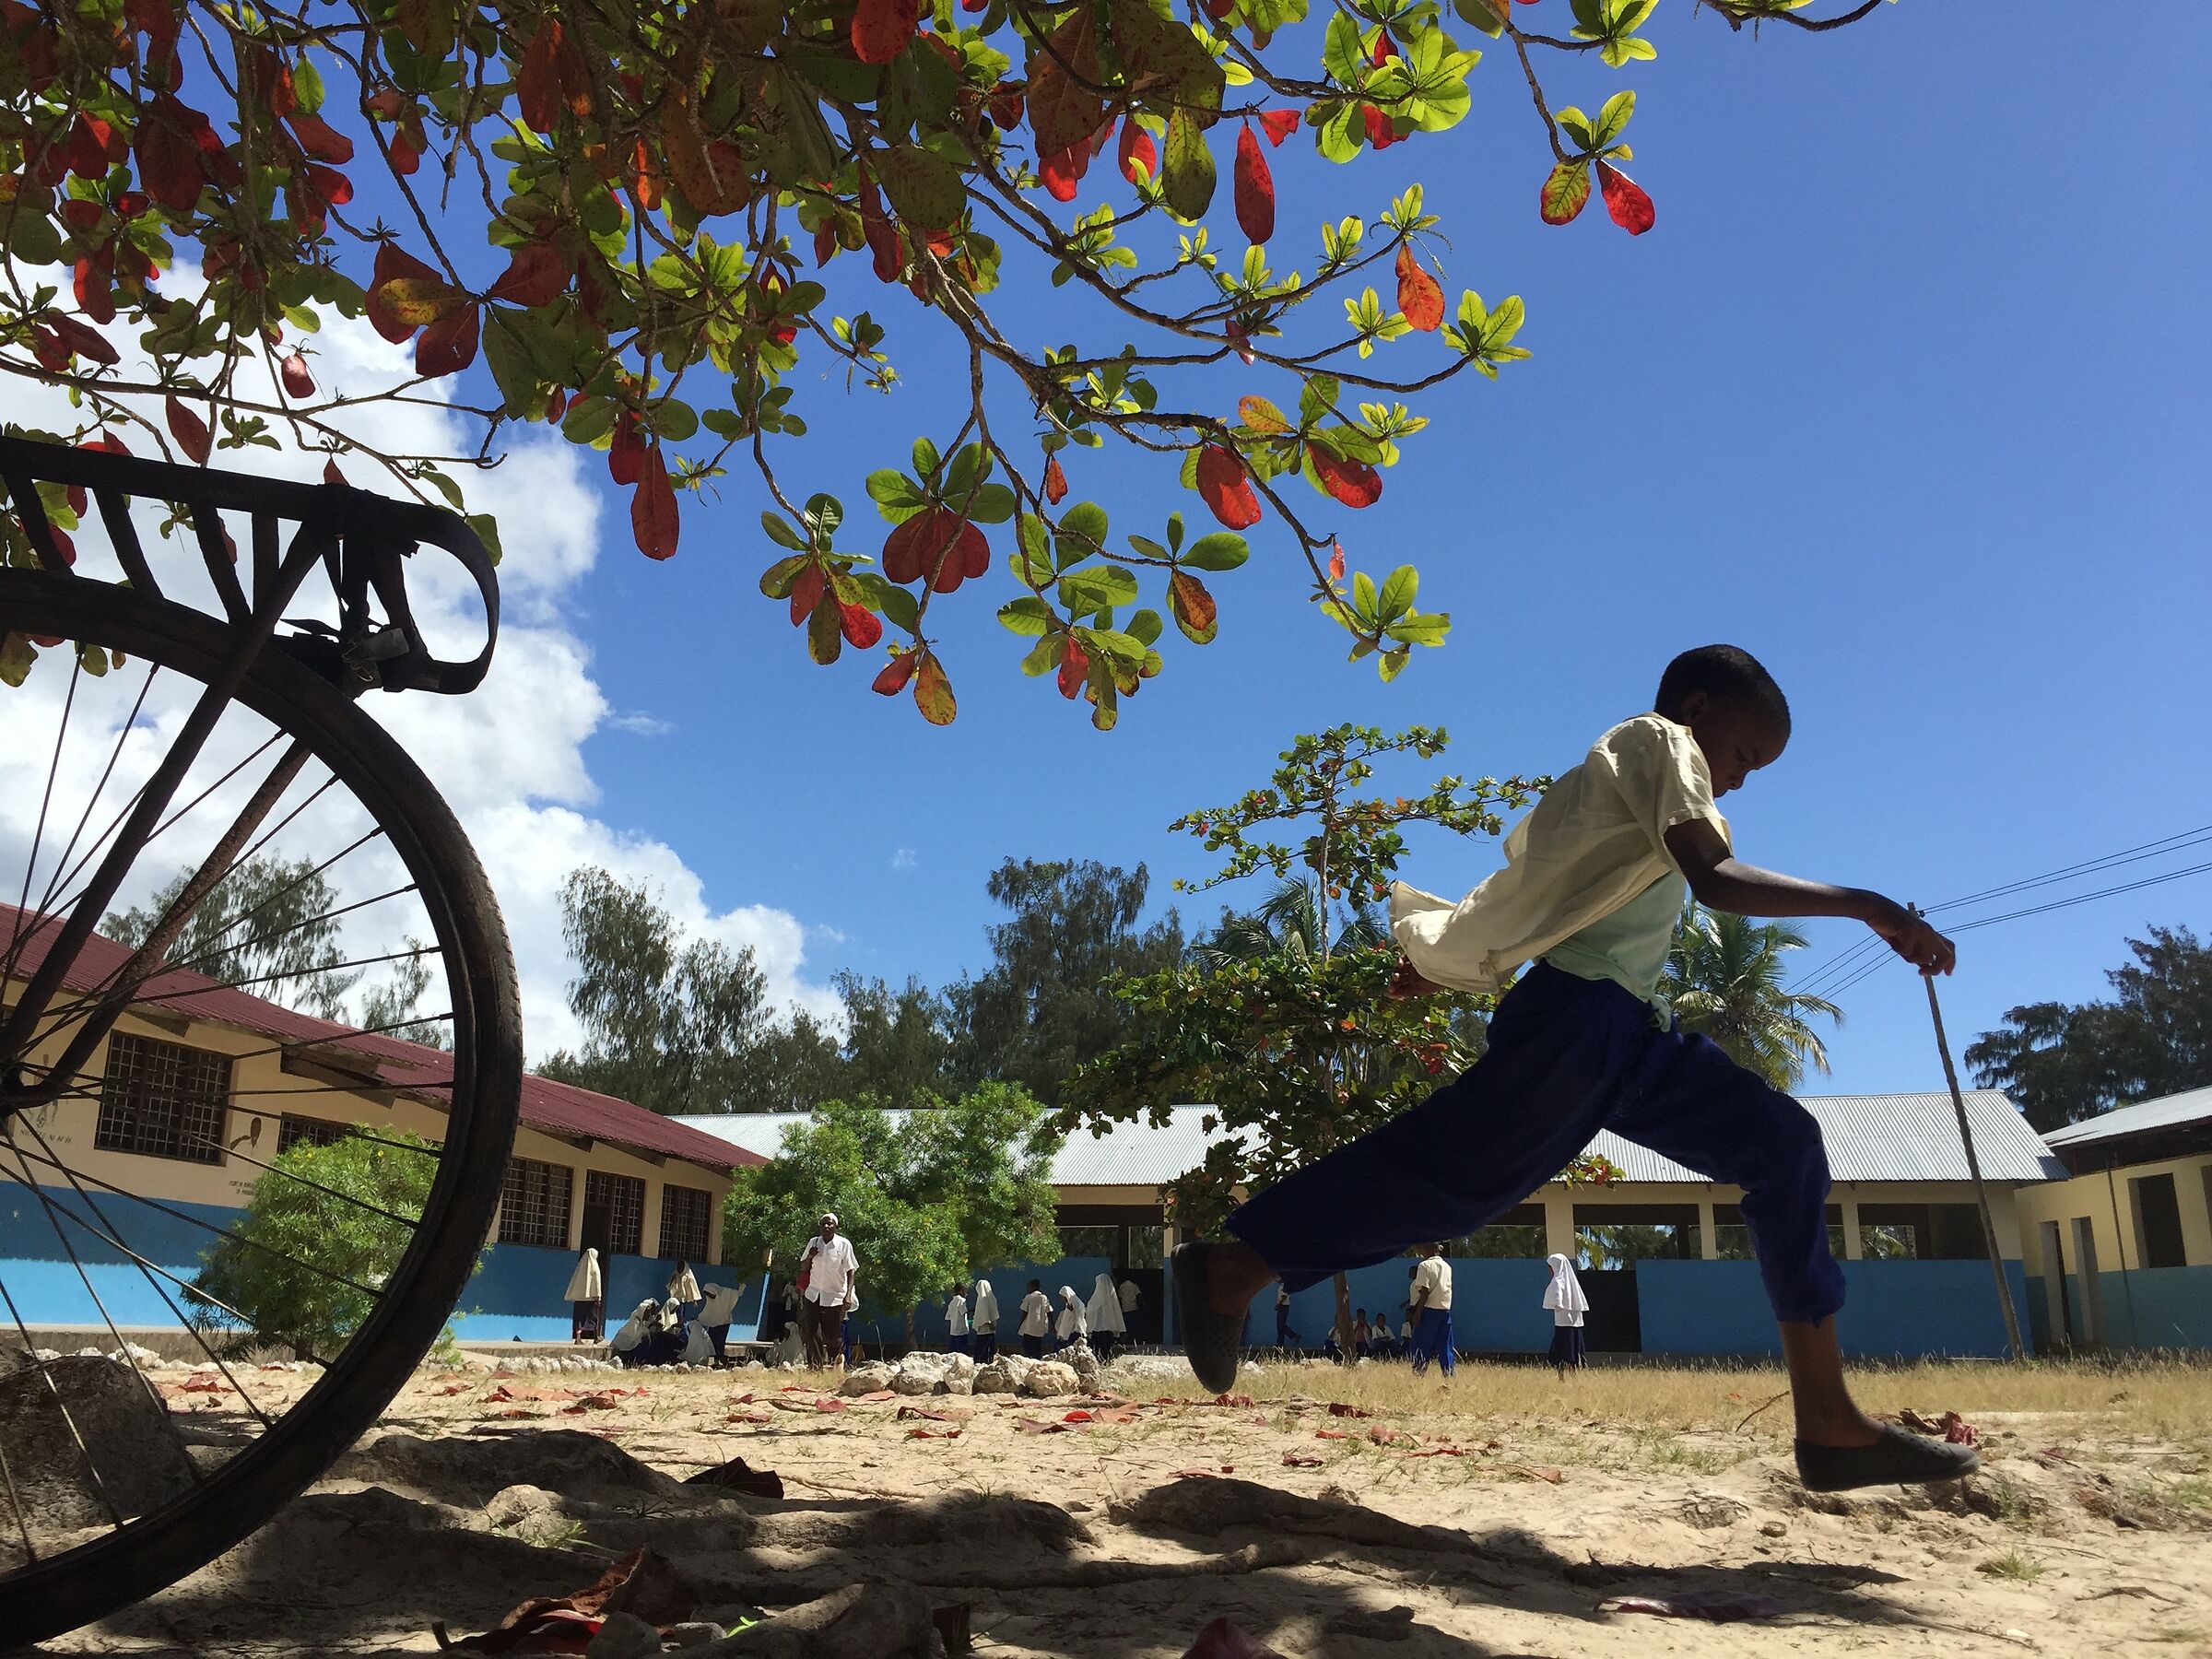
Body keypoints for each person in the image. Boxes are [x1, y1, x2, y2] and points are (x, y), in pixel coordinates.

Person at [1170, 646, 1980, 1491]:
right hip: (1576, 1023)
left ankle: (1827, 1422)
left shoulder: (1652, 788)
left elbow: (1549, 888)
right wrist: (1868, 905)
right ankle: (1234, 1267)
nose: (1742, 779)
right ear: (1698, 708)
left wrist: (1448, 952)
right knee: (1453, 1178)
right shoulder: (1655, 741)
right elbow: (1713, 881)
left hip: (1631, 1034)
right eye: (1745, 754)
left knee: (1785, 1146)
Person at [796, 1212, 857, 1370]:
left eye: (829, 1223)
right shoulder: (814, 1242)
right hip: (813, 1294)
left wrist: (848, 1295)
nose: (826, 1226)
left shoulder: (844, 1245)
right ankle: (815, 1368)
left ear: (836, 1226)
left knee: (833, 1337)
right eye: (823, 1223)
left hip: (834, 1296)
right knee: (812, 1333)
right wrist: (810, 1256)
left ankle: (837, 1366)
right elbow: (803, 1267)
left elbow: (851, 1270)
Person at [1406, 1244, 1454, 1378]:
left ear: (1427, 1249)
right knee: (1445, 1345)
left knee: (1421, 1343)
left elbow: (1425, 1292)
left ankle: (1418, 1373)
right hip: (1445, 1309)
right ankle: (1449, 1373)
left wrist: (1418, 1314)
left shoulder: (1424, 1265)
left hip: (1429, 1310)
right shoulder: (1447, 1267)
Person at [1544, 1253, 1589, 1377]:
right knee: (1573, 1350)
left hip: (1562, 1323)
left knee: (1562, 1351)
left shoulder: (1558, 1282)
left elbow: (1556, 1302)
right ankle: (1573, 1374)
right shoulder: (1572, 1282)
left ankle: (1561, 1376)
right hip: (1575, 1322)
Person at [564, 1246, 603, 1342]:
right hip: (591, 1298)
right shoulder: (595, 1268)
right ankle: (595, 1337)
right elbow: (597, 1283)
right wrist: (598, 1295)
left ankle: (578, 1337)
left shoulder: (580, 1268)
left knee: (579, 1317)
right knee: (593, 1317)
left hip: (579, 1298)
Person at [698, 1279, 742, 1363]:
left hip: (724, 1323)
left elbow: (737, 1294)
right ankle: (713, 1359)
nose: (709, 1296)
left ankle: (718, 1360)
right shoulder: (711, 1302)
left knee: (720, 1342)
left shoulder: (725, 1295)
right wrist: (699, 1319)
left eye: (709, 1294)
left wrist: (742, 1285)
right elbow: (706, 1313)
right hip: (714, 1325)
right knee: (712, 1341)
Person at [1085, 1271, 1126, 1361]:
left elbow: (1090, 1312)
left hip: (1097, 1331)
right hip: (1108, 1331)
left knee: (1098, 1351)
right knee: (1106, 1351)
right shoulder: (1112, 1300)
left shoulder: (1095, 1300)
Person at [608, 1298, 657, 1366]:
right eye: (647, 1313)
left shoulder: (640, 1321)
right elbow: (634, 1334)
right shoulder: (634, 1322)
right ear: (642, 1313)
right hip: (622, 1348)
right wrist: (646, 1331)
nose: (649, 1315)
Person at [1018, 1279, 1052, 1359]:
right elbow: (1049, 1311)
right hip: (1040, 1327)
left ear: (1034, 1287)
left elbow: (1024, 1312)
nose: (1028, 1289)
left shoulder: (1029, 1297)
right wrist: (1052, 1324)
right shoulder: (1044, 1297)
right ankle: (1037, 1359)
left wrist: (1020, 1324)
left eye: (1029, 1287)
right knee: (1037, 1345)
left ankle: (1028, 1358)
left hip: (1030, 1327)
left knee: (1026, 1345)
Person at [971, 1277, 1000, 1363]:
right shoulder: (992, 1298)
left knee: (981, 1349)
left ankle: (980, 1363)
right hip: (991, 1329)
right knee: (989, 1349)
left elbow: (983, 1313)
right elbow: (994, 1312)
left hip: (983, 1329)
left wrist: (986, 1322)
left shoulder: (981, 1299)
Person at [1052, 1285, 1087, 1352]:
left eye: (1063, 1297)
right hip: (1068, 1331)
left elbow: (1078, 1317)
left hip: (1074, 1330)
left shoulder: (1077, 1304)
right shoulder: (1069, 1305)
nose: (1062, 1299)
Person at [947, 1286, 972, 1356]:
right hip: (962, 1331)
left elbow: (948, 1317)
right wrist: (973, 1311)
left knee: (953, 1354)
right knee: (962, 1354)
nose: (966, 1294)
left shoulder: (951, 1303)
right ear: (961, 1291)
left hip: (953, 1331)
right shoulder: (961, 1300)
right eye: (966, 1292)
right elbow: (963, 1312)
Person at [1273, 1286, 1298, 1351]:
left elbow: (1284, 1296)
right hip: (1283, 1306)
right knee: (1279, 1325)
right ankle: (1280, 1343)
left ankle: (1294, 1336)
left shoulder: (1283, 1286)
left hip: (1283, 1307)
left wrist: (1278, 1305)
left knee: (1281, 1325)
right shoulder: (1283, 1286)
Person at [1118, 1276, 1142, 1341]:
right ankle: (1134, 1339)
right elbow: (1139, 1296)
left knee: (1126, 1325)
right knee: (1133, 1324)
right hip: (1133, 1307)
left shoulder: (1122, 1286)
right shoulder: (1134, 1286)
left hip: (1125, 1308)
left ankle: (1126, 1339)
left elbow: (1119, 1297)